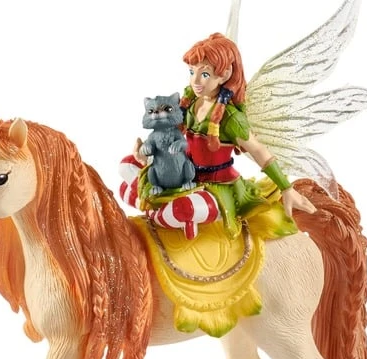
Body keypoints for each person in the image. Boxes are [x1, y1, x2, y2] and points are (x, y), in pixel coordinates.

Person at [131, 32, 315, 239]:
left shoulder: (230, 118)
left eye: (205, 74)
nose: (195, 81)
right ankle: (164, 213)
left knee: (183, 209)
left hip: (220, 188)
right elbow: (171, 137)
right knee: (128, 165)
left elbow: (258, 150)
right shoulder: (191, 102)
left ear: (225, 74)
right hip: (185, 176)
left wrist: (286, 188)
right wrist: (147, 154)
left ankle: (163, 217)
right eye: (192, 72)